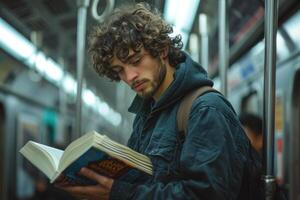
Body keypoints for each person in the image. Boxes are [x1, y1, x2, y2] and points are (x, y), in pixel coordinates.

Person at [57, 3, 262, 200]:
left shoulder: (205, 110)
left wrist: (119, 194)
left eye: (136, 61)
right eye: (120, 70)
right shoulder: (146, 115)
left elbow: (204, 194)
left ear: (162, 51)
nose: (129, 77)